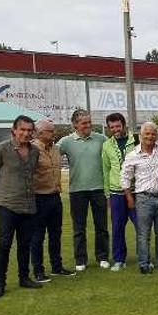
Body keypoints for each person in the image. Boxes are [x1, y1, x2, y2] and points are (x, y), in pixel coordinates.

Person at [0, 115, 41, 298]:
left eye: (29, 130)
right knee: (4, 245)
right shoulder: (1, 149)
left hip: (28, 206)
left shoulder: (34, 151)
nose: (25, 133)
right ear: (14, 130)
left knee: (25, 244)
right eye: (22, 129)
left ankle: (24, 278)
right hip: (6, 206)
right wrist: (3, 196)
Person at [58, 109, 109, 271]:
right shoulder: (66, 142)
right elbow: (49, 154)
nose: (88, 125)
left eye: (89, 122)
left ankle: (102, 257)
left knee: (101, 226)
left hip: (99, 189)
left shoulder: (101, 139)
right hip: (77, 191)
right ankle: (80, 260)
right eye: (84, 123)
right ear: (75, 124)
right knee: (79, 228)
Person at [121, 122, 158, 274]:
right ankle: (144, 263)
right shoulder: (132, 155)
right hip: (143, 198)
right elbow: (125, 178)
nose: (150, 137)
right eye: (147, 134)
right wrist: (129, 198)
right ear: (140, 136)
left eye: (153, 134)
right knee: (143, 233)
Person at [30, 118, 74, 283]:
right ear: (40, 133)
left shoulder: (56, 149)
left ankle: (57, 267)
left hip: (55, 197)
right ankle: (38, 270)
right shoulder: (32, 150)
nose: (53, 133)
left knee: (56, 234)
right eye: (50, 131)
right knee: (38, 236)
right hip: (39, 198)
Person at [101, 112, 138, 272]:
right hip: (116, 193)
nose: (115, 129)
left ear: (124, 125)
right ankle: (119, 259)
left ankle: (144, 257)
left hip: (136, 191)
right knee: (117, 227)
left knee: (141, 226)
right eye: (112, 127)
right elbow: (105, 170)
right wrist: (107, 194)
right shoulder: (107, 145)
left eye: (118, 126)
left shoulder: (136, 140)